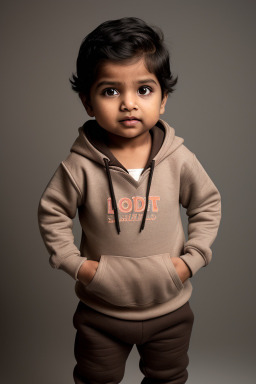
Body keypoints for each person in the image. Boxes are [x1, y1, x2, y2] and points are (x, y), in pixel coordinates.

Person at [38, 17, 222, 384]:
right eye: (110, 91)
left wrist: (192, 259)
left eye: (143, 90)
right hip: (101, 310)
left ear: (163, 99)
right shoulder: (78, 166)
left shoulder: (179, 160)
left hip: (169, 305)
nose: (127, 104)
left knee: (169, 378)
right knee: (95, 379)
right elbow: (52, 214)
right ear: (87, 102)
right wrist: (77, 265)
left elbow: (206, 204)